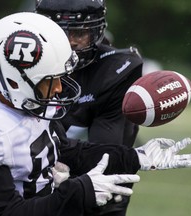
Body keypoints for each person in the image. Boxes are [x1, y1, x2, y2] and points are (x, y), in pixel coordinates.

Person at [0, 12, 191, 216]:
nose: (59, 88)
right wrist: (77, 192)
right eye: (50, 80)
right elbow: (1, 212)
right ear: (15, 81)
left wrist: (134, 157)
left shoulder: (18, 99)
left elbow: (63, 150)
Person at [35, 0, 142, 215]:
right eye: (60, 33)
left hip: (98, 185)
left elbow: (104, 157)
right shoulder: (20, 64)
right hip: (34, 179)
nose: (70, 42)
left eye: (79, 33)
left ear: (96, 32)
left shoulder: (114, 71)